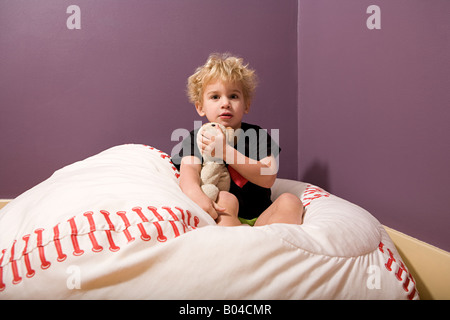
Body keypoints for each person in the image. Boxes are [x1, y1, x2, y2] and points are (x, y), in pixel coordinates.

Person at [173, 53, 304, 226]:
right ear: (200, 107)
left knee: (290, 200)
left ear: (246, 105)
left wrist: (226, 152)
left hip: (262, 218)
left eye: (233, 96)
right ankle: (237, 243)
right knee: (226, 199)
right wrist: (198, 197)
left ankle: (274, 245)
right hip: (221, 211)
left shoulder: (257, 135)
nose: (225, 103)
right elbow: (188, 172)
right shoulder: (197, 138)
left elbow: (268, 176)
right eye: (215, 97)